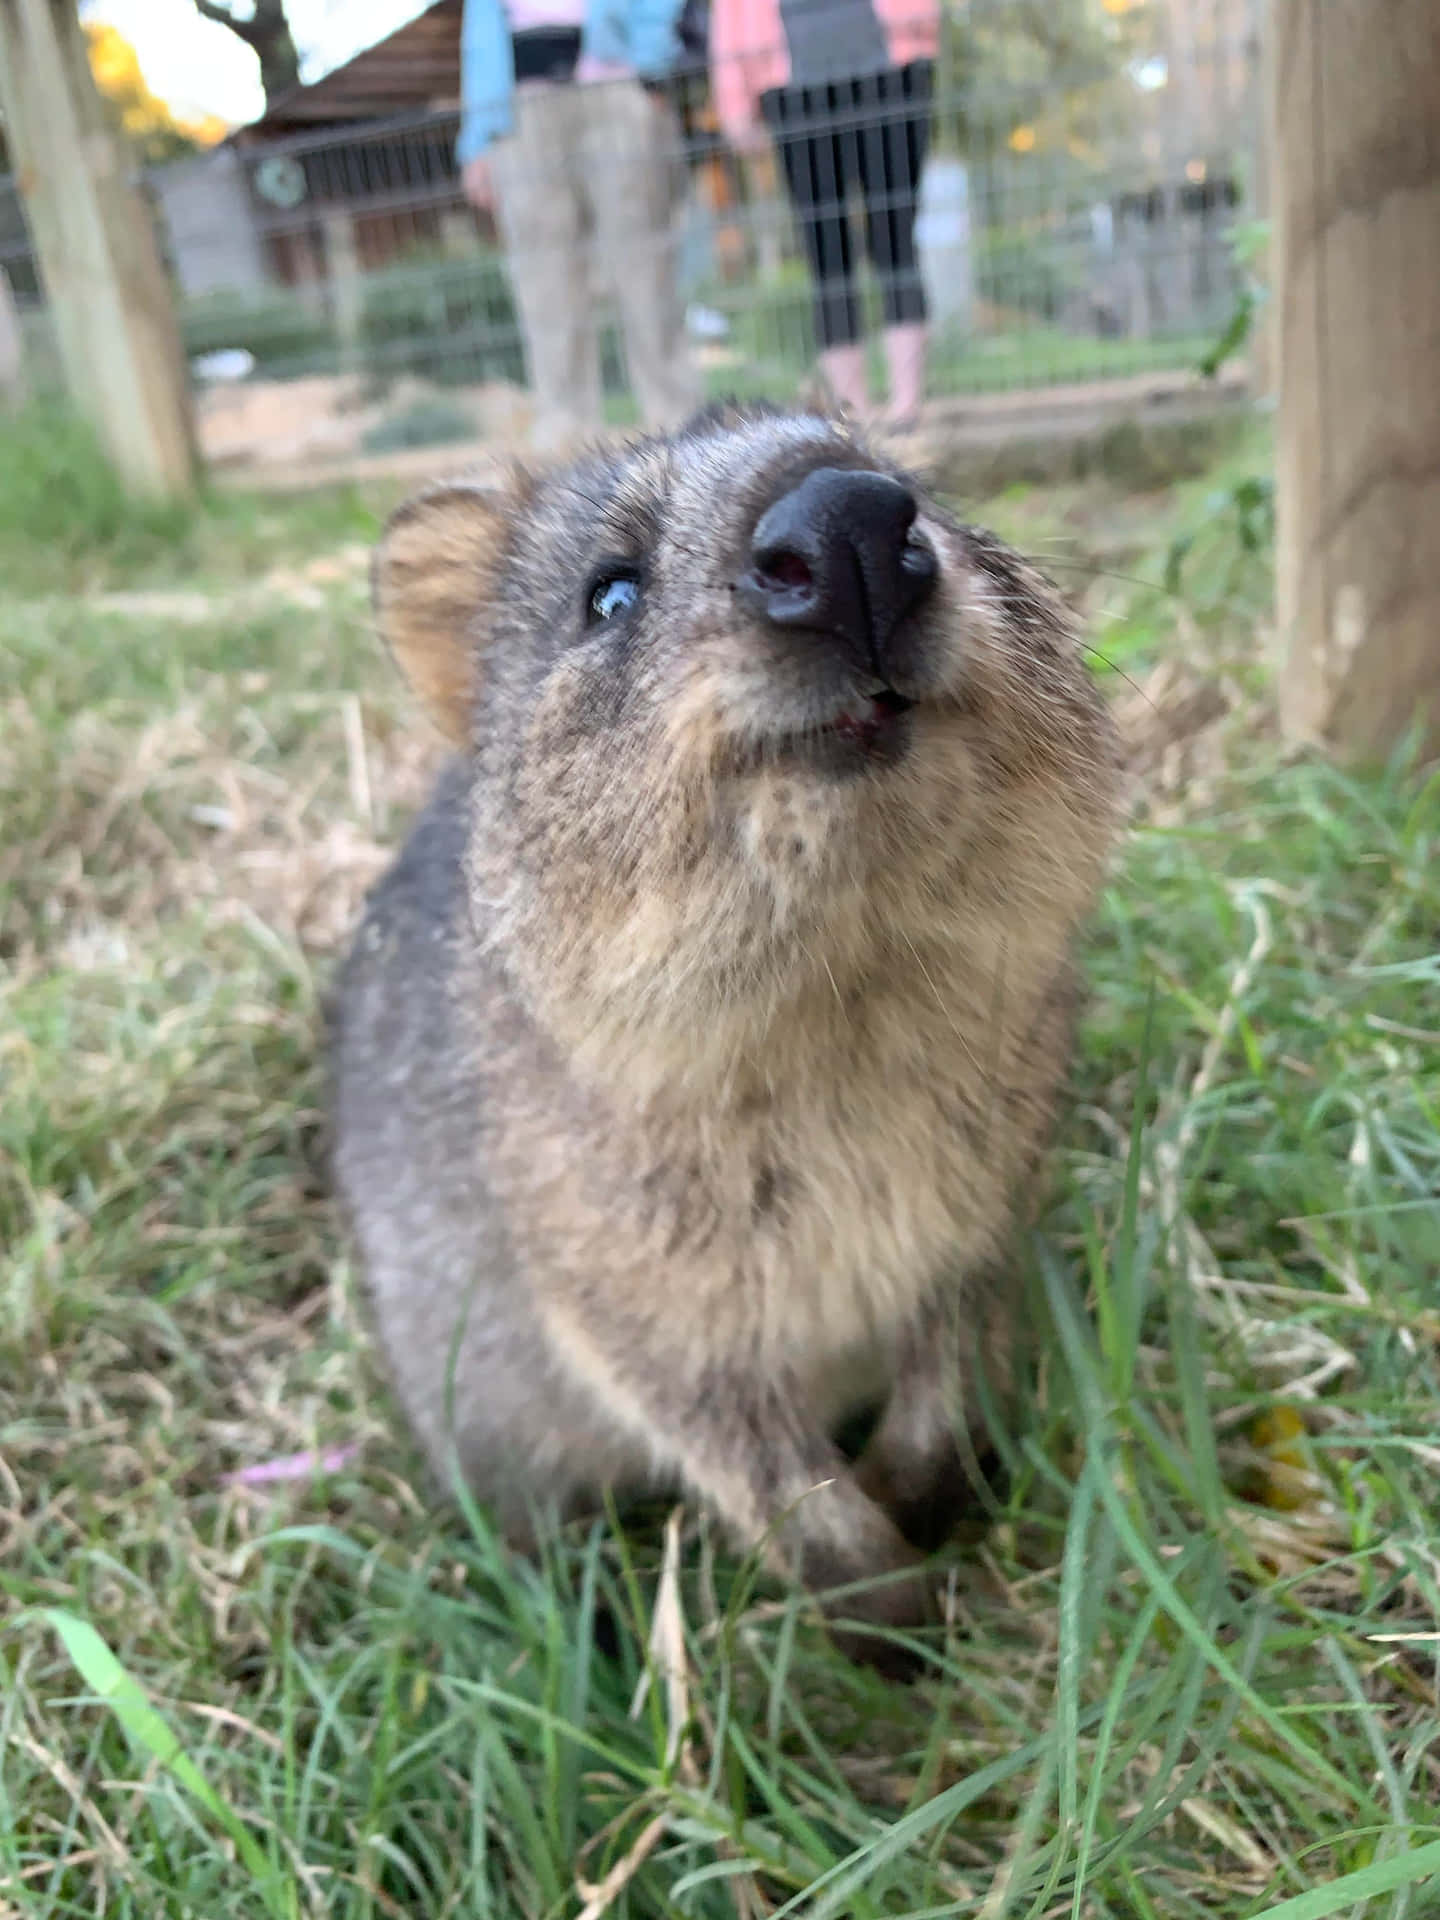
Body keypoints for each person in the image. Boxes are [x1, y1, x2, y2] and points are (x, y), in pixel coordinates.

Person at [458, 0, 702, 447]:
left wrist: (650, 65)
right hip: (521, 103)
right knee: (543, 277)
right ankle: (564, 431)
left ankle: (678, 423)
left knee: (645, 264)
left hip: (614, 81)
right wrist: (479, 134)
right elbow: (479, 33)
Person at [709, 0, 939, 425]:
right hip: (792, 82)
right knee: (826, 252)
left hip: (889, 68)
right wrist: (734, 102)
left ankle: (908, 407)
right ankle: (854, 414)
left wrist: (923, 28)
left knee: (896, 238)